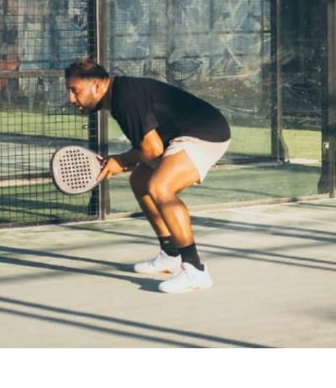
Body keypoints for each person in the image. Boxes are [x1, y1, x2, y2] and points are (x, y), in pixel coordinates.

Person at [63, 58, 233, 293]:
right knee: (140, 181)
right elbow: (147, 148)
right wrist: (118, 163)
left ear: (98, 86)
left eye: (75, 91)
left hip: (205, 132)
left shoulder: (124, 98)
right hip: (177, 135)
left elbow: (151, 149)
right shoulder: (120, 96)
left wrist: (121, 160)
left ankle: (195, 270)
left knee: (160, 187)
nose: (71, 99)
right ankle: (170, 254)